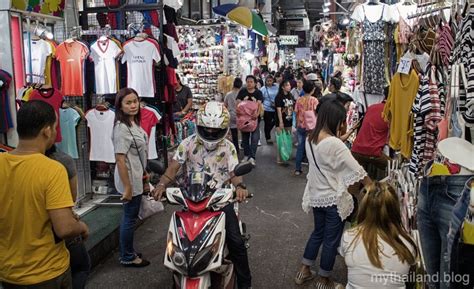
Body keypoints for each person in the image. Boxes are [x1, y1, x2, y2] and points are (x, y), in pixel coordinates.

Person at [152, 102, 252, 289]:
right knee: (178, 243)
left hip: (220, 201)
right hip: (191, 200)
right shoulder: (187, 143)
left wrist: (240, 187)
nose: (212, 134)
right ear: (199, 126)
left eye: (216, 130)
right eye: (207, 130)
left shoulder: (228, 147)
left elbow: (234, 173)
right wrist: (161, 184)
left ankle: (246, 284)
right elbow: (173, 168)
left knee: (236, 242)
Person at [0, 100, 89, 289]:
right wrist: (81, 227)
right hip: (47, 271)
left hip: (8, 273)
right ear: (47, 131)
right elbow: (64, 228)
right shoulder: (53, 169)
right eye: (55, 127)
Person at [295, 99, 371, 288]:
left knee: (317, 233)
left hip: (316, 197)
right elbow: (357, 169)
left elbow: (330, 148)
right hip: (332, 201)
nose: (342, 124)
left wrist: (350, 132)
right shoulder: (334, 144)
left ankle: (304, 271)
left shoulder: (310, 138)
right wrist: (372, 185)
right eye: (341, 120)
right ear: (334, 120)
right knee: (331, 240)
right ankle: (324, 279)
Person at [339, 182, 418, 288]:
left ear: (364, 208)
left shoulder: (349, 237)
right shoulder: (408, 243)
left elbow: (350, 267)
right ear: (395, 209)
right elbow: (410, 277)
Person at [113, 88, 150, 267]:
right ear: (120, 105)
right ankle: (127, 256)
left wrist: (144, 175)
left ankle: (128, 251)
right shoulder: (121, 129)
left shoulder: (133, 123)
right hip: (129, 179)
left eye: (135, 101)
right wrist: (128, 187)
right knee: (129, 218)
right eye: (128, 102)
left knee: (131, 217)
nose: (133, 105)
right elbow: (120, 160)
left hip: (136, 176)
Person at [46, 145, 91, 289]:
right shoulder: (60, 162)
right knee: (81, 267)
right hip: (58, 233)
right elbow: (69, 200)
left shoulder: (7, 162)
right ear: (47, 131)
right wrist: (82, 228)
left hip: (13, 265)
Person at [351, 86, 390, 180]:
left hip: (356, 150)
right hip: (373, 153)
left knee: (357, 183)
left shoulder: (372, 108)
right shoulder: (391, 112)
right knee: (393, 167)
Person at [237, 75, 264, 167]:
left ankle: (252, 157)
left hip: (254, 119)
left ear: (255, 83)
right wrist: (242, 102)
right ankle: (246, 155)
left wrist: (257, 113)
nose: (249, 83)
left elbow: (260, 105)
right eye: (247, 81)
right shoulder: (242, 91)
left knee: (254, 138)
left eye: (251, 82)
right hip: (244, 120)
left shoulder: (258, 93)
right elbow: (237, 104)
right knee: (245, 138)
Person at [294, 81, 318, 176]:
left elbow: (296, 112)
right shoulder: (314, 100)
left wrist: (297, 123)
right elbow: (317, 113)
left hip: (301, 125)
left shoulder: (299, 100)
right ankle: (311, 170)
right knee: (311, 148)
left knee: (300, 147)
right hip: (311, 127)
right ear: (312, 90)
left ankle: (297, 169)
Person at [275, 80, 295, 165]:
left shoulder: (290, 96)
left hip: (289, 120)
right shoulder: (279, 97)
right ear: (282, 87)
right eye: (287, 85)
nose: (289, 87)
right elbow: (279, 110)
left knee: (288, 139)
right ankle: (279, 158)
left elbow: (291, 108)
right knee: (280, 140)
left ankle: (286, 155)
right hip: (281, 121)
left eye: (289, 85)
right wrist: (281, 122)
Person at [224, 77, 243, 155]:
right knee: (243, 133)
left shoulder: (228, 94)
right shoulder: (242, 94)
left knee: (234, 134)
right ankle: (243, 144)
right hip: (241, 116)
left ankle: (236, 150)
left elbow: (225, 105)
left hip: (232, 115)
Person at [260, 74, 279, 144]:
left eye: (270, 81)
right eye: (268, 81)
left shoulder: (276, 87)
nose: (269, 82)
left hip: (276, 108)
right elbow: (261, 99)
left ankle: (271, 133)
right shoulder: (263, 89)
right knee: (267, 124)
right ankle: (268, 138)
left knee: (275, 122)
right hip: (266, 109)